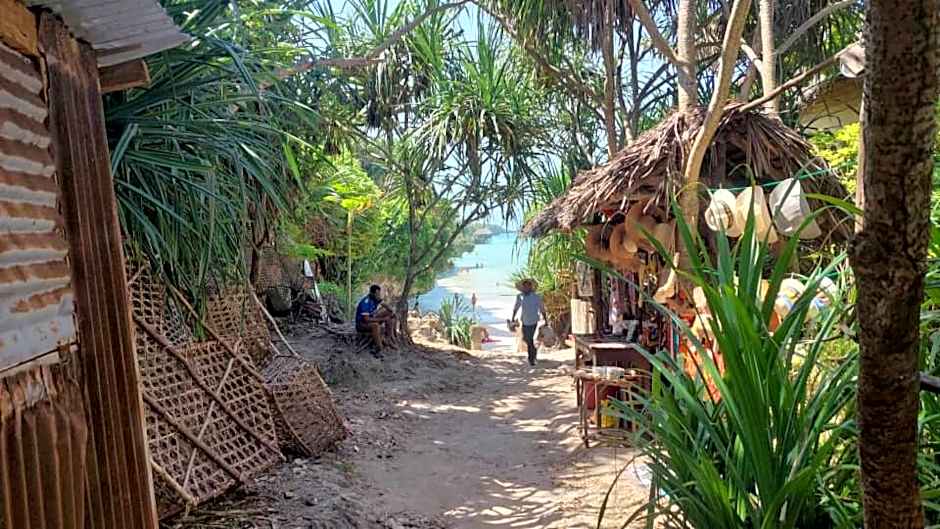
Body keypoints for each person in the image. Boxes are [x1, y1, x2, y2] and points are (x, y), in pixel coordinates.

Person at [511, 279, 547, 366]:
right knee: (526, 339)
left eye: (528, 286)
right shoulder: (520, 296)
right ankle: (533, 352)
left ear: (531, 287)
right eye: (524, 286)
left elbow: (542, 308)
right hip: (524, 320)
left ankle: (531, 358)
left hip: (533, 321)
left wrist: (546, 319)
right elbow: (516, 307)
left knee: (530, 338)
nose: (526, 287)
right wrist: (513, 317)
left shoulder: (536, 297)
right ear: (522, 287)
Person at [356, 285, 397, 354]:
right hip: (361, 324)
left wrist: (392, 311)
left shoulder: (375, 299)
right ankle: (379, 347)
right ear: (372, 293)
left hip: (371, 318)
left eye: (379, 293)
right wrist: (383, 319)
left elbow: (385, 305)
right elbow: (367, 319)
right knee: (375, 326)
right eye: (377, 294)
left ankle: (388, 339)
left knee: (388, 313)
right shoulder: (365, 302)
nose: (379, 295)